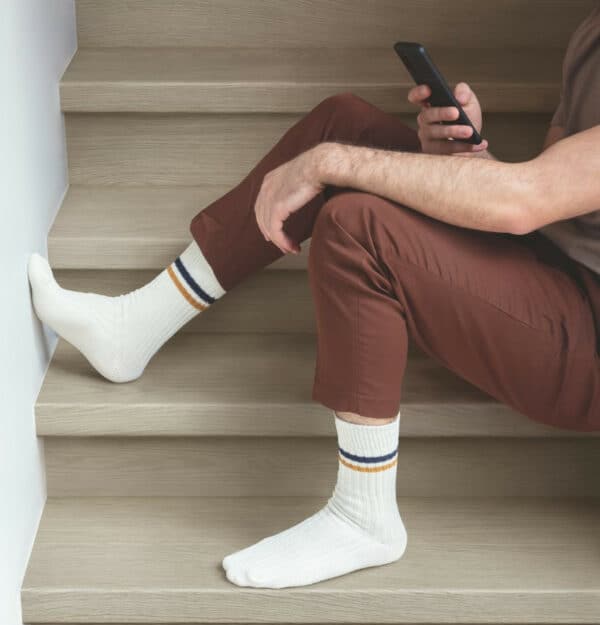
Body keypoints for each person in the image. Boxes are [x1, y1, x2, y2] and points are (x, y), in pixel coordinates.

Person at [29, 8, 600, 590]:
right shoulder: (589, 34)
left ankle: (364, 515)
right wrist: (473, 166)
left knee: (357, 227)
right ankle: (137, 325)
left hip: (588, 342)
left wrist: (326, 166)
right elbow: (549, 201)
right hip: (552, 265)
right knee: (343, 125)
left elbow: (523, 201)